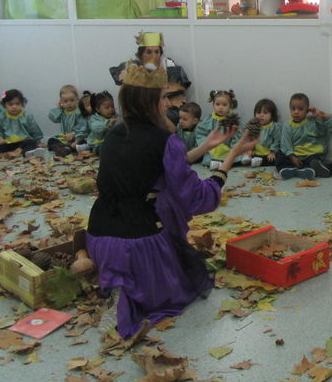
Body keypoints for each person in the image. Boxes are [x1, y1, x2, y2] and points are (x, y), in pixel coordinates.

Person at [86, 62, 257, 338]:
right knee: (182, 282)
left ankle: (117, 282)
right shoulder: (164, 139)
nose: (169, 104)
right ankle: (126, 297)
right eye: (164, 97)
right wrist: (230, 158)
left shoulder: (116, 133)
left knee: (161, 198)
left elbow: (153, 171)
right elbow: (197, 197)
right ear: (149, 102)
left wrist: (207, 146)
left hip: (98, 237)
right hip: (136, 245)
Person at [109, 31, 191, 92]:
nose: (154, 56)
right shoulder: (133, 66)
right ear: (141, 54)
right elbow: (119, 76)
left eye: (157, 52)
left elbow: (174, 90)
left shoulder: (170, 68)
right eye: (149, 52)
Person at [277, 93, 325, 180]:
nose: (296, 112)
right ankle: (287, 169)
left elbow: (321, 132)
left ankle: (306, 170)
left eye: (300, 109)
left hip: (308, 154)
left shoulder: (311, 122)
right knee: (280, 155)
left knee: (315, 159)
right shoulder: (287, 125)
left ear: (307, 110)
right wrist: (292, 157)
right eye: (293, 109)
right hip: (293, 154)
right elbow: (286, 142)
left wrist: (318, 117)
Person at [194, 90, 240, 171]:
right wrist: (205, 143)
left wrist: (233, 148)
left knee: (236, 157)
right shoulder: (210, 119)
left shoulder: (231, 119)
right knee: (207, 159)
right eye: (217, 104)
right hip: (212, 147)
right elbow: (200, 132)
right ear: (213, 105)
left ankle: (222, 163)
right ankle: (216, 163)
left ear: (230, 106)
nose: (220, 107)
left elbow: (236, 136)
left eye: (224, 105)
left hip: (227, 147)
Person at [0, 89, 47, 159]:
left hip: (24, 141)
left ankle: (28, 153)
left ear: (22, 103)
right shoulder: (1, 117)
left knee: (30, 143)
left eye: (17, 104)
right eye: (10, 104)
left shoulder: (27, 116)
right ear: (4, 105)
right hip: (9, 143)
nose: (14, 107)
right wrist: (0, 138)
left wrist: (38, 141)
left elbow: (34, 129)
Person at [48, 84, 90, 157]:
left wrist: (74, 134)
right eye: (65, 101)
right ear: (61, 102)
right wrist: (58, 108)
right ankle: (64, 148)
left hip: (77, 136)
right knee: (51, 140)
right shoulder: (62, 112)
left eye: (72, 100)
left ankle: (68, 148)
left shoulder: (78, 112)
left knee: (84, 142)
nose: (69, 103)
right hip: (64, 137)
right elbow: (54, 119)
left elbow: (83, 127)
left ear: (77, 99)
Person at [249, 99, 282, 168]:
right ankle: (253, 161)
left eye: (265, 113)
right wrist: (250, 149)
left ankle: (260, 162)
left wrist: (273, 152)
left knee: (276, 160)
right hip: (256, 154)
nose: (261, 115)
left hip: (269, 154)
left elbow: (277, 140)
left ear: (272, 115)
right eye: (258, 113)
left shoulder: (274, 127)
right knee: (247, 156)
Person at [88, 91, 117, 155]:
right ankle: (92, 149)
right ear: (98, 109)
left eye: (112, 106)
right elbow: (95, 128)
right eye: (107, 108)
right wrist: (107, 124)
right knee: (101, 147)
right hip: (98, 142)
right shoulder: (95, 118)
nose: (111, 109)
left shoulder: (115, 116)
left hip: (111, 141)